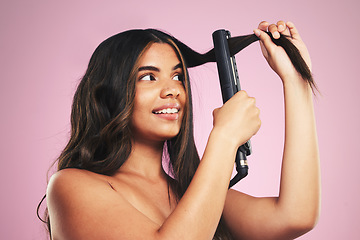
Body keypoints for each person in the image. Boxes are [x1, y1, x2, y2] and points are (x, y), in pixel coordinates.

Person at [43, 20, 320, 239]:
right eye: (149, 77)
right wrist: (224, 138)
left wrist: (297, 80)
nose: (173, 90)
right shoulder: (71, 186)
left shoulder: (190, 193)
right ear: (108, 93)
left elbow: (295, 216)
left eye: (177, 76)